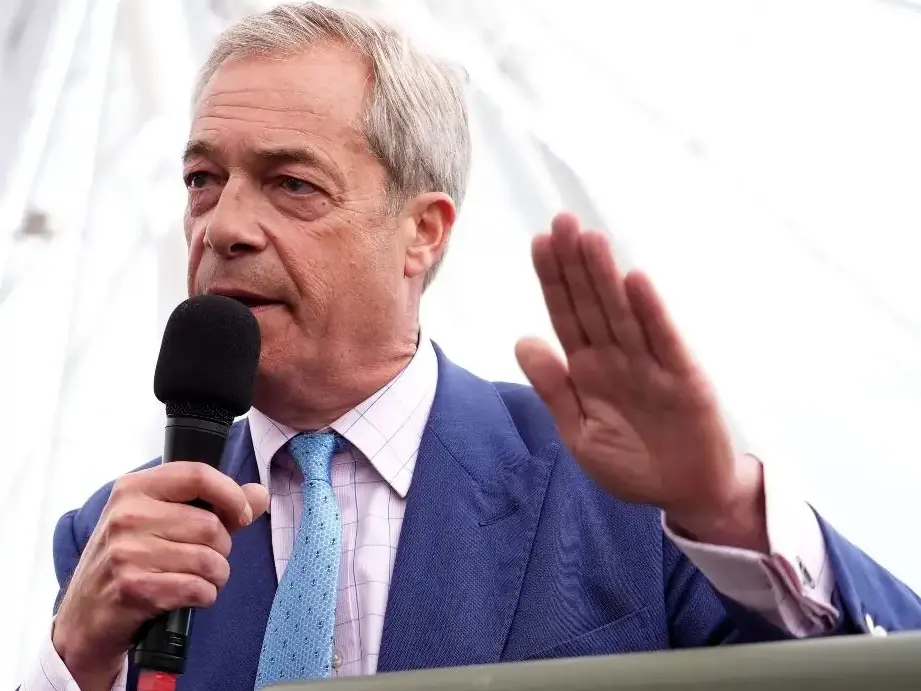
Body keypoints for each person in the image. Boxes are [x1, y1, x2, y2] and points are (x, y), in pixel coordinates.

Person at [21, 3, 921, 690]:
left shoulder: (620, 487)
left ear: (423, 232)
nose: (224, 227)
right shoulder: (111, 540)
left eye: (291, 184)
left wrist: (723, 504)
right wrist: (73, 659)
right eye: (202, 180)